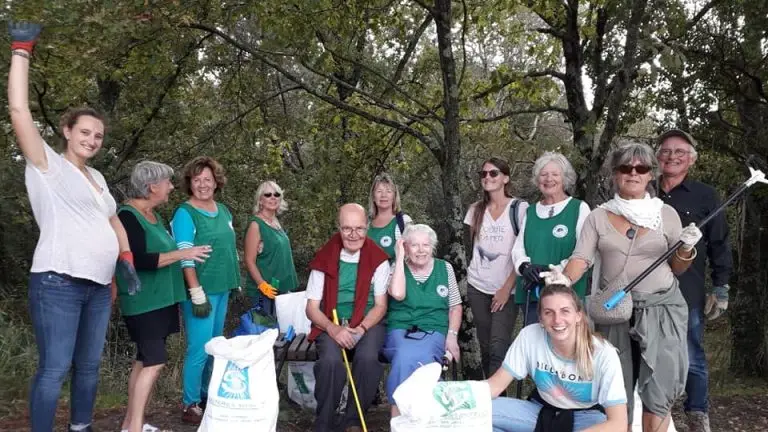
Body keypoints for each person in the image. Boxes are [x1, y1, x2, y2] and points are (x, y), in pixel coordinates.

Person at [8, 22, 136, 432]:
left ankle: (80, 427)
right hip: (57, 282)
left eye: (98, 135)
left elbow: (113, 219)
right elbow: (18, 110)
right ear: (66, 131)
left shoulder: (97, 180)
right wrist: (22, 51)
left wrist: (125, 257)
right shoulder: (47, 166)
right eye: (85, 132)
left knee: (89, 368)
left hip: (98, 287)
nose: (92, 139)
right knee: (54, 368)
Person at [541, 142, 702, 431]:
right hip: (615, 312)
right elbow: (581, 258)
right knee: (616, 393)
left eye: (641, 168)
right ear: (615, 174)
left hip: (662, 310)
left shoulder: (666, 215)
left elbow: (678, 266)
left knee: (658, 393)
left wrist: (687, 248)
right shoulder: (598, 216)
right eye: (626, 167)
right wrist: (564, 279)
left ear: (650, 174)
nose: (633, 173)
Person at [116, 162, 212, 432]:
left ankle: (129, 425)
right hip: (143, 303)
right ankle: (134, 428)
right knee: (155, 363)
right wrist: (184, 254)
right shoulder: (128, 216)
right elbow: (139, 261)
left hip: (161, 301)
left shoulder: (153, 215)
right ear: (151, 186)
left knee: (143, 360)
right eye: (167, 182)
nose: (171, 187)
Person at [655, 129, 732, 432]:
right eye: (666, 151)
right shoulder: (644, 190)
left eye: (680, 152)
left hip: (688, 289)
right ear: (657, 156)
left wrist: (721, 286)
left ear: (692, 160)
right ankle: (655, 413)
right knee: (648, 351)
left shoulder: (705, 195)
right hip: (646, 290)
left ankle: (697, 413)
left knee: (691, 353)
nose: (672, 156)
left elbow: (720, 243)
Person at [489, 284, 628, 432]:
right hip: (540, 411)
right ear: (540, 319)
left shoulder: (603, 353)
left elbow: (618, 424)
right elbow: (495, 385)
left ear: (578, 315)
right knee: (474, 415)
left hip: (586, 417)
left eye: (565, 311)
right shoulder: (529, 336)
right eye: (549, 312)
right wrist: (464, 395)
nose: (557, 320)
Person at [305, 203, 390, 432]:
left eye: (359, 228)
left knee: (368, 360)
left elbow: (381, 305)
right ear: (338, 228)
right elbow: (312, 308)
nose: (354, 235)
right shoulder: (324, 257)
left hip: (367, 323)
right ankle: (324, 422)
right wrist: (333, 329)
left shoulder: (379, 259)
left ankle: (352, 420)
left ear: (367, 227)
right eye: (347, 229)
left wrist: (361, 329)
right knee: (330, 363)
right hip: (331, 322)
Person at [171, 156, 240, 424]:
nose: (203, 185)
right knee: (199, 348)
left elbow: (227, 246)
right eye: (197, 180)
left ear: (216, 182)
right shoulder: (185, 213)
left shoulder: (223, 210)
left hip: (223, 287)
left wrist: (235, 278)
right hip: (201, 290)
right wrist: (195, 290)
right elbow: (184, 255)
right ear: (190, 183)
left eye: (207, 180)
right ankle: (190, 404)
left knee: (216, 346)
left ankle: (207, 396)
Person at [381, 224, 462, 417]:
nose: (420, 250)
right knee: (404, 355)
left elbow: (455, 307)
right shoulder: (396, 266)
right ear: (406, 247)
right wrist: (400, 257)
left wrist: (452, 336)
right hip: (400, 330)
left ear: (432, 247)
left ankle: (401, 416)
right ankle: (406, 419)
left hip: (434, 331)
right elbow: (398, 294)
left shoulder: (445, 268)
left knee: (414, 358)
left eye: (425, 245)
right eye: (414, 245)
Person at [464, 157, 529, 378]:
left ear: (505, 178)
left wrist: (506, 288)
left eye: (493, 173)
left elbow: (522, 251)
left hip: (506, 290)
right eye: (484, 174)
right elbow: (470, 248)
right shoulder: (475, 210)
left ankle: (497, 404)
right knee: (485, 348)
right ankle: (488, 402)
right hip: (477, 287)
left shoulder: (519, 209)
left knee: (498, 348)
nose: (487, 178)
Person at [512, 152, 591, 324]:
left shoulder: (579, 208)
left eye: (555, 174)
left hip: (566, 295)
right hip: (532, 294)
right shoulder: (531, 211)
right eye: (543, 174)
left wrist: (552, 270)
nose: (549, 179)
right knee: (534, 346)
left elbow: (585, 250)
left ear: (565, 178)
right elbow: (518, 248)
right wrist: (526, 267)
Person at [244, 180, 299, 316]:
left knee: (283, 333)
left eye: (277, 194)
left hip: (282, 290)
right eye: (268, 194)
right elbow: (249, 260)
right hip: (264, 293)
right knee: (266, 334)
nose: (273, 197)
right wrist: (262, 285)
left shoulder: (275, 222)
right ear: (260, 200)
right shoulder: (255, 225)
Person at [367, 173, 412, 260]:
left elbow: (412, 255)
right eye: (379, 191)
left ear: (394, 196)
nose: (384, 195)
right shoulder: (365, 224)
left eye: (388, 191)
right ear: (373, 196)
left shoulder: (403, 222)